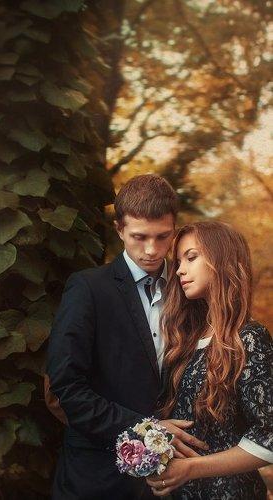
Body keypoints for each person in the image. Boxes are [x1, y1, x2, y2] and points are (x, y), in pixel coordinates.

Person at [46, 175, 208, 500]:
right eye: (139, 237)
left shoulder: (192, 290)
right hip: (100, 479)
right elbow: (66, 388)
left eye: (162, 237)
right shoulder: (88, 289)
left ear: (174, 230)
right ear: (119, 229)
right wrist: (147, 429)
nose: (151, 250)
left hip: (183, 479)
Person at [147, 221, 273, 499]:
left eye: (191, 257)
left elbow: (269, 436)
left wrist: (192, 468)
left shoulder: (249, 338)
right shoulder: (185, 340)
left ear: (221, 260)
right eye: (178, 261)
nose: (179, 270)